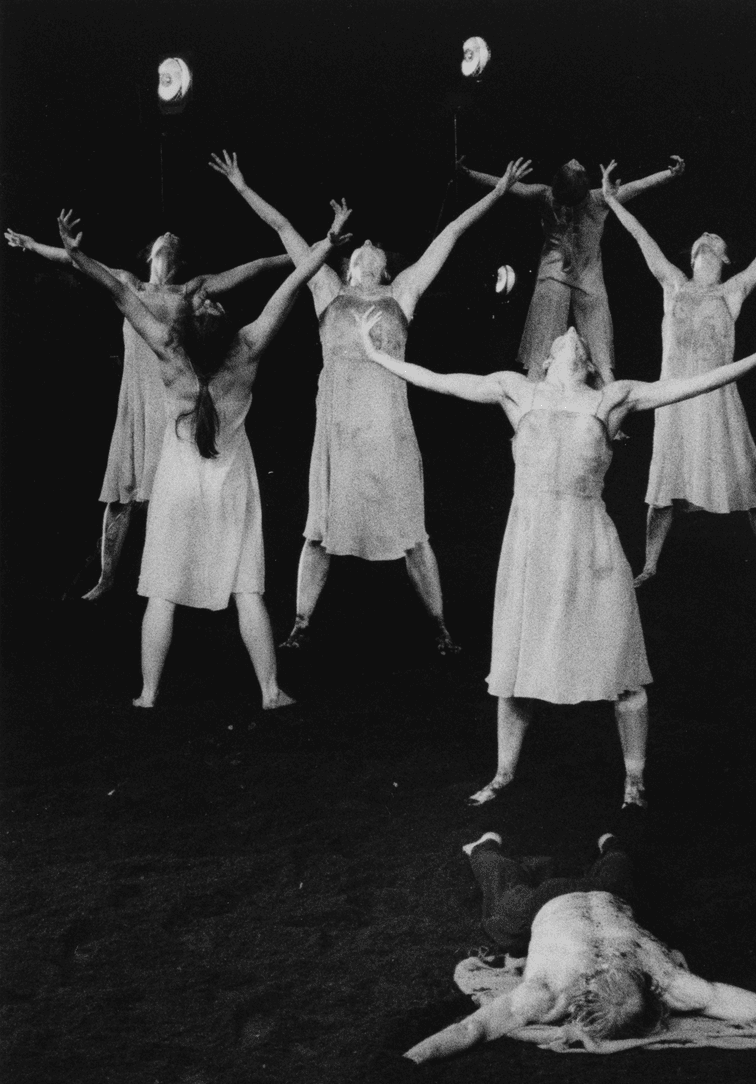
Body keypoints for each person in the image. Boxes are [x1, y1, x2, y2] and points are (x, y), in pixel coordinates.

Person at [355, 307, 756, 807]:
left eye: (580, 336)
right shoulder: (515, 389)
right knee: (516, 671)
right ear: (546, 356)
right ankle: (503, 774)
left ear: (589, 361)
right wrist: (375, 355)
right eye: (564, 334)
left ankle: (634, 780)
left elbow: (692, 384)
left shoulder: (612, 398)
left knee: (621, 664)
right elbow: (441, 381)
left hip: (589, 544)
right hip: (531, 544)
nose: (574, 332)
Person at [210, 151, 529, 653]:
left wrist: (497, 191)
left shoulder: (402, 292)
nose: (366, 249)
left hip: (388, 425)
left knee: (412, 531)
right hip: (339, 425)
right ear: (348, 260)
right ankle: (300, 622)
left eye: (374, 249)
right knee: (318, 530)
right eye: (358, 249)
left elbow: (450, 237)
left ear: (383, 266)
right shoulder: (326, 287)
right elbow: (285, 229)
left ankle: (441, 627)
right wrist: (241, 185)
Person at [56, 204, 349, 708]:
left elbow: (120, 292)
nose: (211, 304)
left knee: (162, 592)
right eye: (209, 306)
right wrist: (325, 244)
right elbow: (295, 282)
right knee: (247, 591)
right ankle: (269, 691)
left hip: (176, 485)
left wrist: (77, 254)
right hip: (230, 484)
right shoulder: (248, 348)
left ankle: (149, 694)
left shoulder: (170, 352)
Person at [4, 225, 289, 600]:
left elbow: (254, 267)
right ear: (150, 253)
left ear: (179, 258)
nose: (170, 233)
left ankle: (197, 575)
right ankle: (106, 579)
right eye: (162, 236)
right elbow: (79, 263)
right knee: (123, 491)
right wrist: (32, 245)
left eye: (175, 237)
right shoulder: (130, 284)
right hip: (137, 398)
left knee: (184, 490)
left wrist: (302, 254)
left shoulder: (192, 290)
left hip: (175, 398)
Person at [404, 831, 756, 1061]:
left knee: (612, 868)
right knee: (503, 894)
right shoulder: (667, 981)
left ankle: (603, 844)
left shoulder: (663, 980)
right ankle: (484, 847)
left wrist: (416, 1056)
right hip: (577, 901)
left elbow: (472, 1030)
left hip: (603, 896)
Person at [605, 164, 756, 601]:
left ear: (725, 257)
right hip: (674, 398)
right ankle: (650, 564)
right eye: (701, 245)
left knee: (750, 487)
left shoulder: (733, 290)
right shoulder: (672, 283)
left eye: (715, 245)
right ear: (692, 256)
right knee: (662, 490)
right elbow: (641, 237)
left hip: (716, 400)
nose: (707, 244)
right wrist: (614, 201)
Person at [459, 154, 685, 381]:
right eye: (575, 167)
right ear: (585, 188)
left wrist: (469, 174)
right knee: (600, 362)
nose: (575, 160)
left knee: (539, 361)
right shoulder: (599, 199)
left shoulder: (544, 195)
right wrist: (670, 174)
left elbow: (505, 186)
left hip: (552, 281)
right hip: (588, 284)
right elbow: (638, 186)